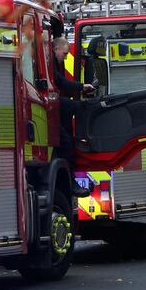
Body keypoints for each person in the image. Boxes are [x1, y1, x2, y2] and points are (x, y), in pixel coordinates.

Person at [52, 37, 95, 197]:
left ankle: (71, 179)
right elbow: (60, 82)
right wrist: (81, 86)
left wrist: (81, 89)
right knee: (75, 107)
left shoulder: (56, 61)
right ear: (55, 49)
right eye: (64, 53)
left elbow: (61, 87)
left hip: (53, 110)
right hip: (48, 109)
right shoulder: (49, 63)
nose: (65, 57)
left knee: (68, 138)